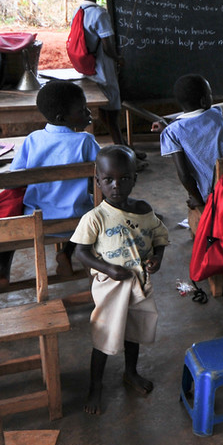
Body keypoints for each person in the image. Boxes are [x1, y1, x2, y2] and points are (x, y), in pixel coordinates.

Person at [70, 145, 168, 415]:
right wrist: (108, 269)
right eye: (108, 179)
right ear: (97, 181)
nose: (116, 185)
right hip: (110, 287)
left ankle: (130, 373)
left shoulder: (145, 211)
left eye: (124, 179)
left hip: (138, 283)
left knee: (132, 331)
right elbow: (81, 251)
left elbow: (160, 238)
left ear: (135, 179)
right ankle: (95, 386)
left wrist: (157, 258)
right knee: (104, 334)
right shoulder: (95, 218)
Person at [0, 80, 100, 286]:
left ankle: (1, 273)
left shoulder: (33, 139)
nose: (89, 113)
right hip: (76, 221)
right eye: (82, 110)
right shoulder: (85, 141)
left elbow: (13, 180)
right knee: (97, 211)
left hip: (34, 219)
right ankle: (67, 253)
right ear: (62, 118)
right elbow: (104, 173)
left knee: (13, 214)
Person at [160, 74, 223, 210]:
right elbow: (195, 125)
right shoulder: (216, 115)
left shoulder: (171, 132)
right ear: (204, 101)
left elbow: (184, 175)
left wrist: (198, 200)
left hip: (214, 196)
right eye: (210, 94)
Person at [74, 0, 133, 152]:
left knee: (106, 112)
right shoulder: (100, 14)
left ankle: (123, 146)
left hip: (88, 68)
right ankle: (123, 151)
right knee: (113, 112)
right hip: (103, 68)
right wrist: (118, 58)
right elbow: (107, 47)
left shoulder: (79, 10)